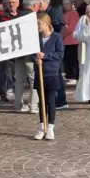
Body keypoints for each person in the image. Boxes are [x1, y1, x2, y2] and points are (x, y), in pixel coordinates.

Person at [33, 13, 64, 141]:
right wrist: (35, 59)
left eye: (39, 24)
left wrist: (45, 56)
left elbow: (59, 54)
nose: (37, 26)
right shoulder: (36, 38)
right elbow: (31, 54)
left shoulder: (56, 37)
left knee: (50, 101)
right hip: (40, 74)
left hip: (52, 74)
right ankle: (42, 128)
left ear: (46, 23)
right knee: (42, 103)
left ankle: (50, 128)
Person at [62, 0, 80, 83]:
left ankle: (74, 76)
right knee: (67, 60)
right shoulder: (64, 14)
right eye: (64, 4)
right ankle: (69, 75)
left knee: (72, 60)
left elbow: (71, 27)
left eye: (67, 4)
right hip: (65, 41)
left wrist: (60, 35)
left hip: (72, 41)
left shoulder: (74, 14)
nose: (65, 6)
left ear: (71, 4)